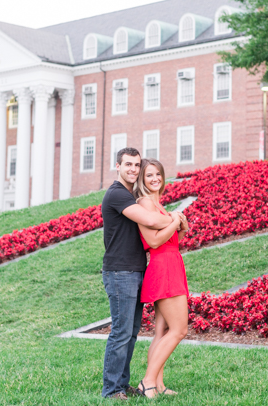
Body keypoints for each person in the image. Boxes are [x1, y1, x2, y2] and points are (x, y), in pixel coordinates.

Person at [101, 147, 182, 400]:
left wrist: (169, 217)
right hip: (120, 271)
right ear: (118, 166)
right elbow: (153, 222)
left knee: (131, 332)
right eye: (128, 165)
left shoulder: (128, 193)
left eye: (136, 165)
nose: (133, 169)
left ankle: (123, 385)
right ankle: (112, 390)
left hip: (136, 269)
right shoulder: (117, 194)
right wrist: (175, 218)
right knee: (121, 332)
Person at [133, 158, 189, 399]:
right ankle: (147, 382)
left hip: (170, 264)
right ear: (141, 180)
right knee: (179, 330)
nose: (155, 178)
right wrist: (176, 221)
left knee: (161, 332)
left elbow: (170, 237)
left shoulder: (158, 205)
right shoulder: (144, 202)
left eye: (158, 174)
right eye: (149, 175)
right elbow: (154, 241)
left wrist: (180, 225)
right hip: (163, 267)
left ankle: (158, 384)